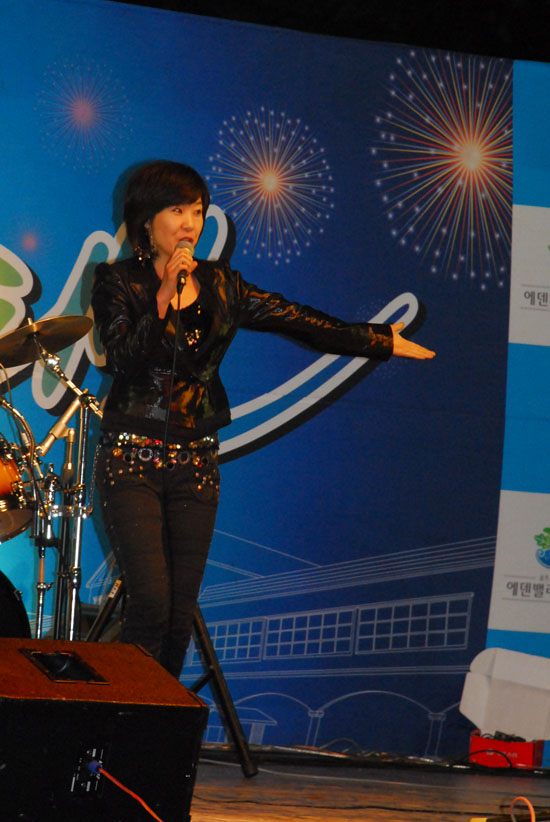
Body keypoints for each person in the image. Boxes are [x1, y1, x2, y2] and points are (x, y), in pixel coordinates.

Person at [91, 160, 435, 680]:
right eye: (177, 210)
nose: (190, 223)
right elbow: (121, 358)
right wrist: (162, 298)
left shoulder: (222, 284)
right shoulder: (117, 282)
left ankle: (161, 722)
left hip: (195, 466)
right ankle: (125, 718)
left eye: (198, 211)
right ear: (146, 219)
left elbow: (297, 319)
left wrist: (377, 339)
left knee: (179, 616)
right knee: (151, 603)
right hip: (130, 461)